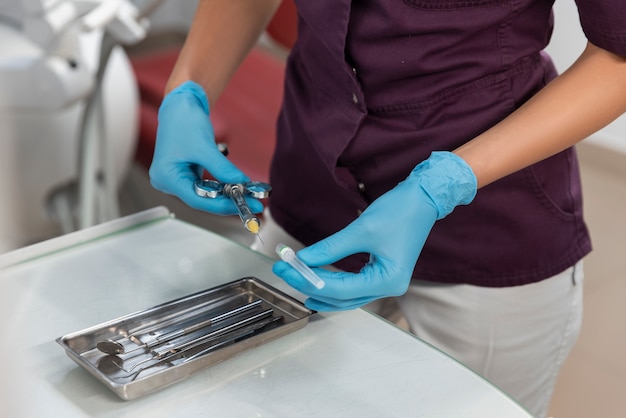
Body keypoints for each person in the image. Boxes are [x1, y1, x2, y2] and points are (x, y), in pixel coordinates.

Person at [149, 1, 626, 416]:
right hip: (313, 200)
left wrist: (440, 187)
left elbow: (617, 56)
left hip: (490, 226)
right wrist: (189, 89)